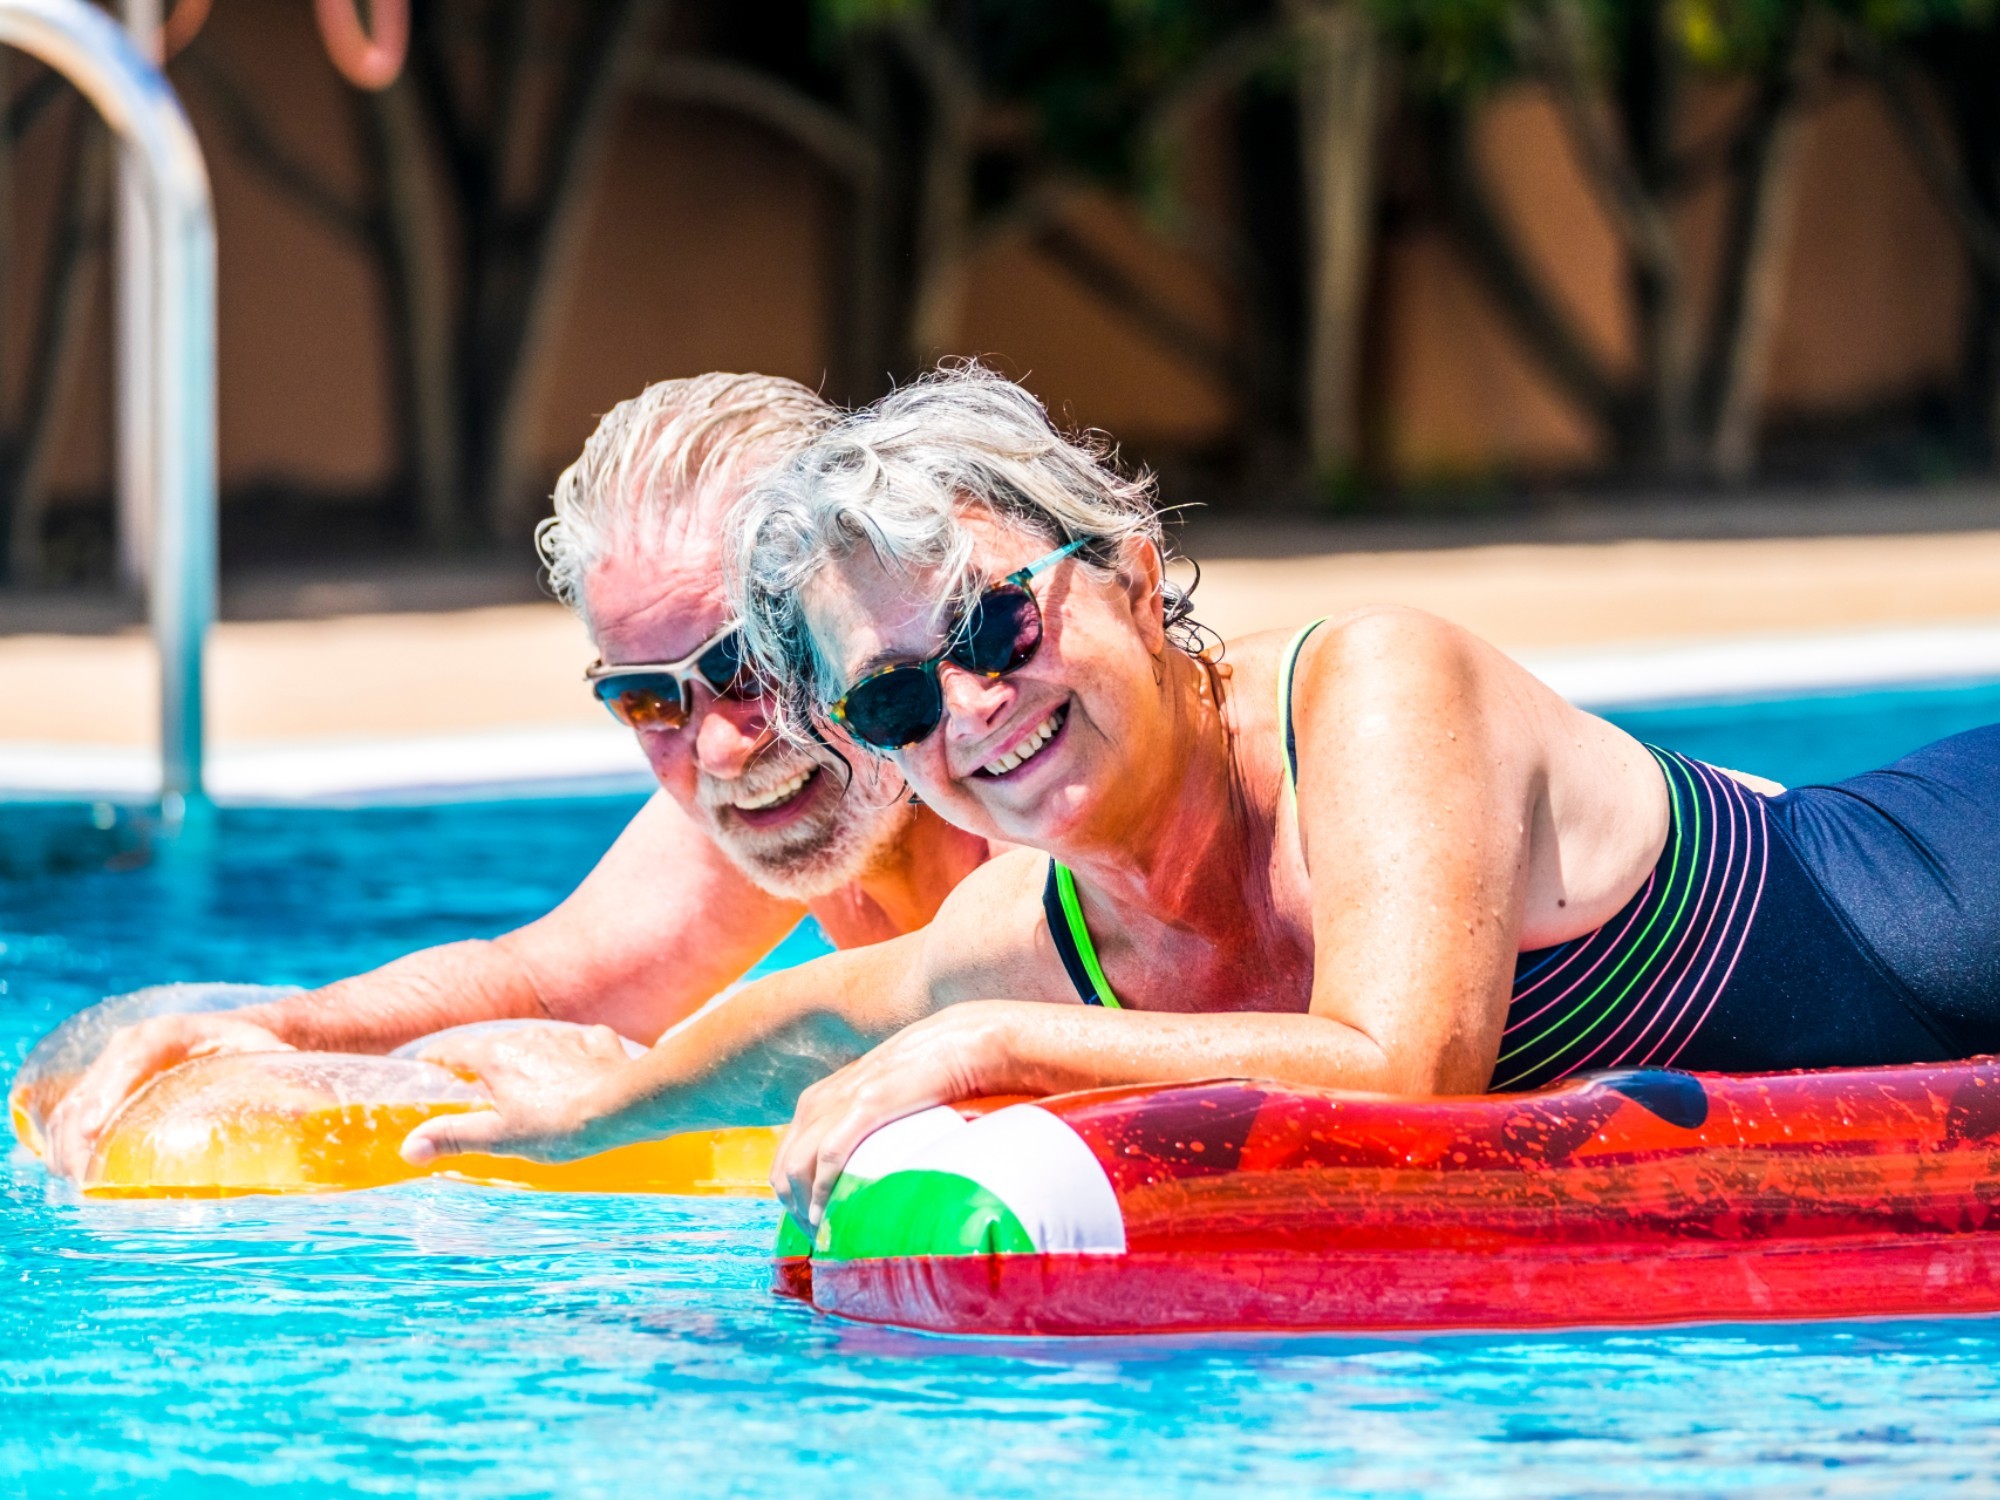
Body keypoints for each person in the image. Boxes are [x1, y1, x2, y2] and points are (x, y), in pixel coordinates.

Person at [401, 364, 2000, 1237]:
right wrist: (579, 1123)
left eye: (996, 621)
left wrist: (993, 1047)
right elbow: (821, 1014)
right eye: (893, 698)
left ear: (1133, 568)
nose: (971, 706)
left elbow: (1409, 1069)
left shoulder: (1372, 693)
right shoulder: (1042, 925)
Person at [41, 373, 998, 1180]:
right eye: (647, 699)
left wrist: (639, 1087)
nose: (718, 749)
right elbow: (544, 984)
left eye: (749, 661)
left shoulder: (1016, 759)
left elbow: (977, 992)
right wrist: (277, 1029)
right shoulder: (792, 785)